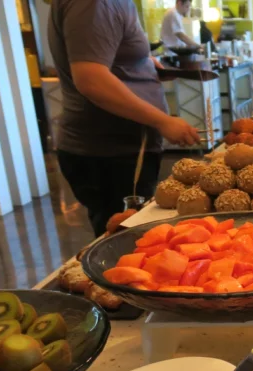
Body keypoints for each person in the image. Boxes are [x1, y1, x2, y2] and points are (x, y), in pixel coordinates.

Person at [48, 0, 198, 238]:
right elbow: (90, 78)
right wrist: (163, 121)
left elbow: (104, 55)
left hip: (118, 149)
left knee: (132, 240)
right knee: (125, 242)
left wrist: (143, 65)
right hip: (111, 153)